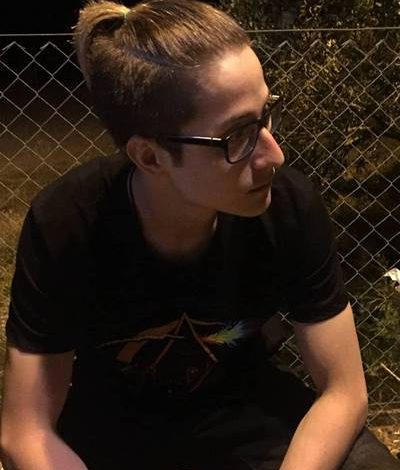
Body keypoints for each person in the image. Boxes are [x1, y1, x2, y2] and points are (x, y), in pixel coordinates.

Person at [0, 1, 399, 469]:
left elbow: (344, 392)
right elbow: (26, 431)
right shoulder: (68, 222)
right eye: (237, 136)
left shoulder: (287, 206)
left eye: (266, 114)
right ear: (150, 157)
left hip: (246, 412)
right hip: (113, 430)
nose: (274, 155)